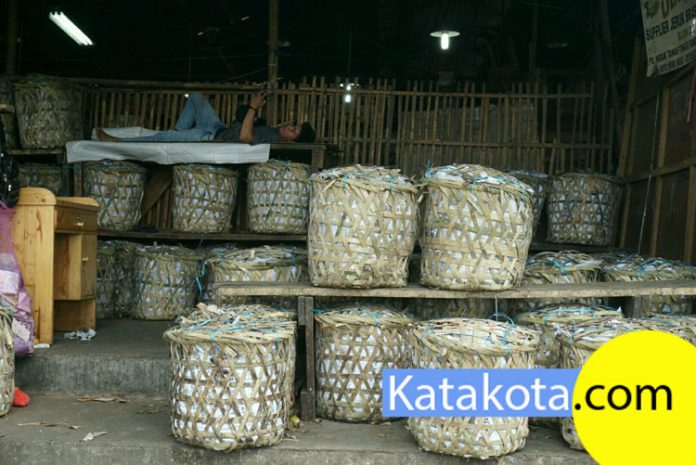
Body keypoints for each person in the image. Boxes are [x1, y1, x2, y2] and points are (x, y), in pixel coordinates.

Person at [96, 91, 316, 145]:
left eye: (293, 131)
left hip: (210, 138)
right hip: (217, 127)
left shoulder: (273, 141)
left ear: (291, 141)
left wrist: (253, 108)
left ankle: (118, 141)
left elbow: (245, 138)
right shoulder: (271, 129)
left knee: (162, 136)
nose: (290, 126)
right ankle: (179, 134)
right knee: (196, 98)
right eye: (293, 124)